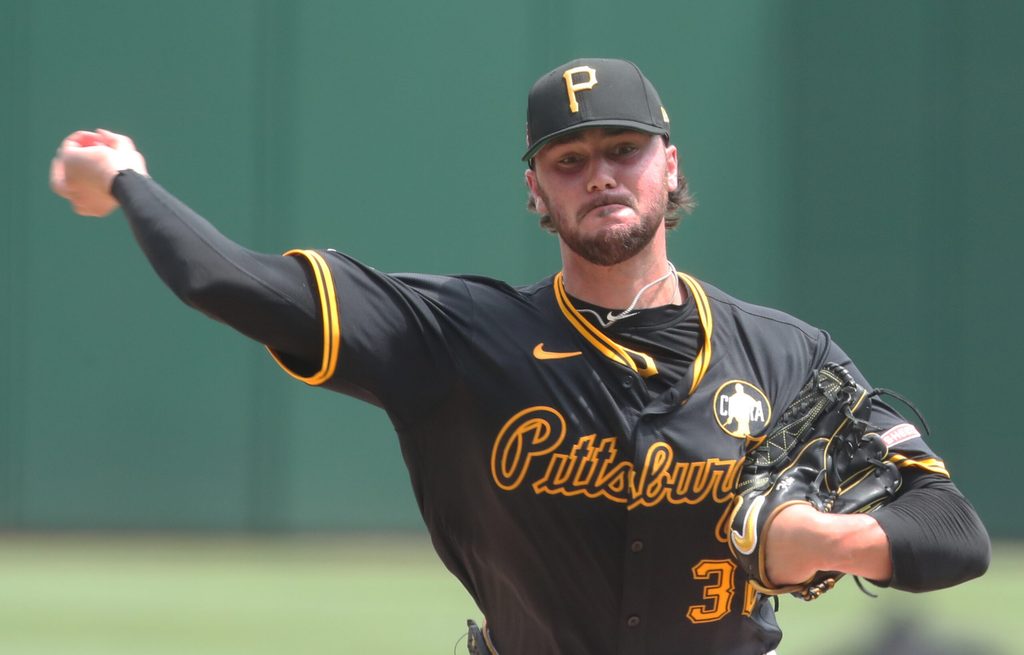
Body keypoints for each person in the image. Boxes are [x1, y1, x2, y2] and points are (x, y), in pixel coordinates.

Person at [50, 58, 989, 655]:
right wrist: (128, 179)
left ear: (672, 166)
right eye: (569, 161)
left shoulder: (786, 356)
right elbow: (229, 282)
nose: (602, 175)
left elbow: (954, 532)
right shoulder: (454, 337)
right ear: (534, 191)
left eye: (624, 149)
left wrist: (830, 540)